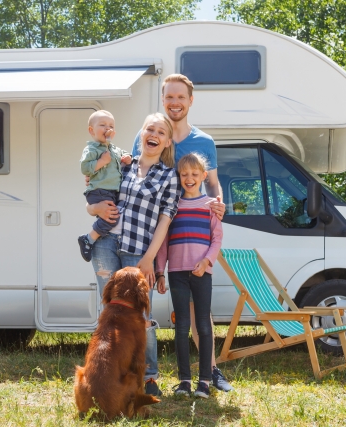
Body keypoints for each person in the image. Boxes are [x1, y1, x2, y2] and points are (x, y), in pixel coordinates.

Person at [132, 74, 233, 392]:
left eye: (180, 97)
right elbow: (135, 171)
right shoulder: (150, 134)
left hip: (189, 233)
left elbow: (213, 183)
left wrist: (219, 204)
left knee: (198, 313)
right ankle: (145, 377)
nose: (174, 102)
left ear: (190, 100)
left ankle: (210, 371)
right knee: (141, 306)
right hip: (150, 233)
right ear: (163, 100)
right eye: (169, 97)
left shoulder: (204, 142)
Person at [88, 112, 180, 397]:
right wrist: (94, 209)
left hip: (139, 250)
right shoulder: (122, 164)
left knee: (141, 315)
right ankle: (111, 372)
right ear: (142, 134)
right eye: (150, 129)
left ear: (167, 142)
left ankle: (148, 377)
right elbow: (93, 193)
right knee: (110, 311)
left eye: (161, 132)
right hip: (105, 243)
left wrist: (150, 258)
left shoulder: (169, 176)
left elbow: (165, 219)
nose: (154, 135)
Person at [155, 153, 223, 398]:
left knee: (203, 325)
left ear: (203, 176)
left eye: (194, 174)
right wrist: (159, 272)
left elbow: (217, 238)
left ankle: (204, 381)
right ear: (179, 176)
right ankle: (184, 380)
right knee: (181, 325)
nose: (189, 178)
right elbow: (163, 242)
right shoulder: (172, 207)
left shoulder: (211, 205)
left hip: (202, 272)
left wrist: (206, 262)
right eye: (184, 174)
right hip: (177, 273)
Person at [77, 110, 132, 262]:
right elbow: (84, 168)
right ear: (91, 130)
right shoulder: (92, 149)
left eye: (111, 126)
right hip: (98, 190)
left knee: (111, 216)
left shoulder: (114, 149)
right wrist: (101, 162)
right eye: (102, 125)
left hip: (110, 192)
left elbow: (125, 155)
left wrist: (127, 158)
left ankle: (94, 238)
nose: (108, 128)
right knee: (112, 218)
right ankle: (88, 239)